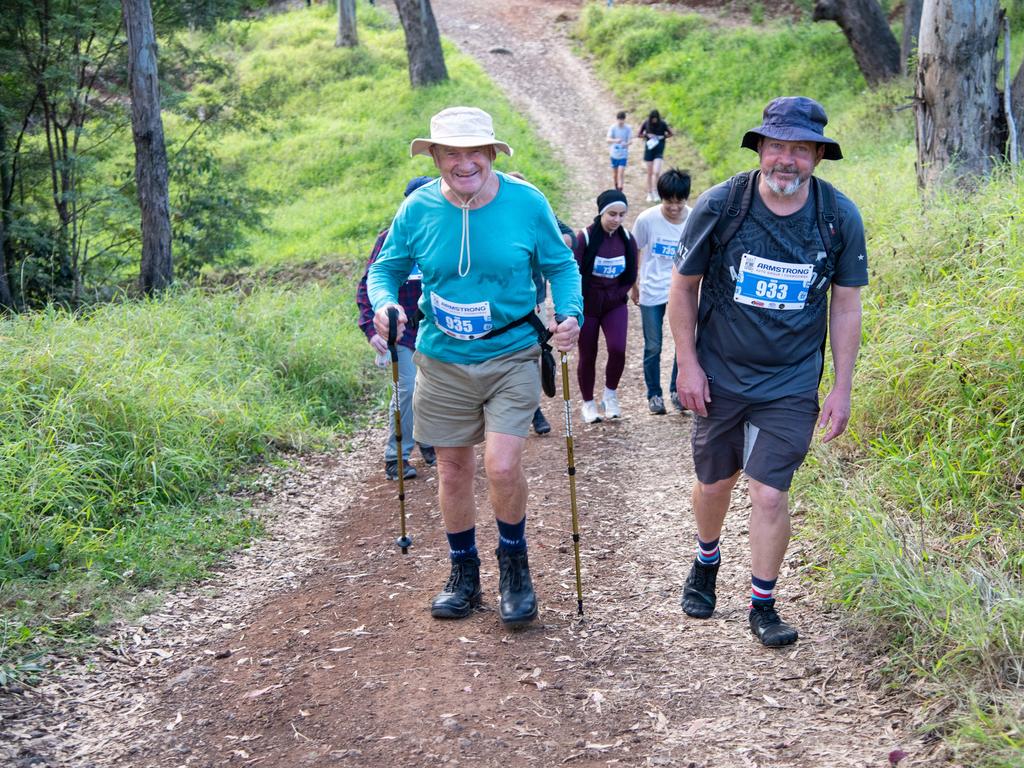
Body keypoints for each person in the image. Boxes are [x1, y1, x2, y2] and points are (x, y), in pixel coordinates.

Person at [367, 107, 583, 628]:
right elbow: (387, 267)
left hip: (511, 352)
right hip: (441, 357)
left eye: (474, 153)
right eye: (452, 154)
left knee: (503, 465)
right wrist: (383, 301)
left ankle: (516, 569)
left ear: (491, 154)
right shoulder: (417, 209)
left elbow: (561, 263)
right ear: (436, 157)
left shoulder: (526, 203)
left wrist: (571, 312)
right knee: (453, 467)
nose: (464, 164)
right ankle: (464, 572)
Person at [668, 96, 868, 647]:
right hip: (720, 373)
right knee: (715, 485)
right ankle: (706, 559)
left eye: (800, 150)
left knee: (770, 494)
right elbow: (682, 289)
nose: (787, 159)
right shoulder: (722, 205)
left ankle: (763, 603)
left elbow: (846, 305)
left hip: (792, 380)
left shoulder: (837, 216)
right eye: (777, 146)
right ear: (760, 149)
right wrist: (687, 365)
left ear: (818, 157)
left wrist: (841, 387)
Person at [356, 176, 437, 480]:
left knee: (435, 391)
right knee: (406, 390)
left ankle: (429, 441)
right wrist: (371, 328)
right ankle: (397, 456)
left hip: (437, 331)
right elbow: (367, 286)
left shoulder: (444, 236)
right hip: (402, 332)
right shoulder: (390, 238)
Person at [506, 171, 576, 437]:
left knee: (531, 355)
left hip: (534, 300)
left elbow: (569, 237)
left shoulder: (534, 211)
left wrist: (543, 244)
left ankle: (534, 410)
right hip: (501, 302)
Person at [629, 168, 691, 415]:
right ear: (661, 198)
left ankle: (678, 390)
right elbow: (635, 249)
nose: (674, 207)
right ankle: (654, 394)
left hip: (683, 291)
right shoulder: (647, 219)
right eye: (668, 202)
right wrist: (634, 284)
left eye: (679, 202)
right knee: (653, 345)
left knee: (683, 342)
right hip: (652, 289)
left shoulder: (695, 218)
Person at [574, 189, 637, 424]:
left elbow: (631, 274)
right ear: (601, 212)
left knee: (618, 348)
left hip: (614, 305)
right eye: (612, 214)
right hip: (588, 306)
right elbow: (574, 273)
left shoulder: (628, 240)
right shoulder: (585, 238)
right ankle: (588, 403)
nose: (617, 220)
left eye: (622, 215)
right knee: (588, 354)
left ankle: (610, 395)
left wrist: (617, 295)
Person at [639, 110, 673, 203]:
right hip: (649, 149)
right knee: (649, 173)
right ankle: (649, 193)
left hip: (659, 150)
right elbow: (639, 134)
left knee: (656, 172)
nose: (654, 121)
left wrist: (663, 137)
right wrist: (647, 135)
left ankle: (656, 191)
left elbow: (671, 133)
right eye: (652, 119)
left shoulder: (662, 124)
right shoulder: (646, 123)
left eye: (655, 119)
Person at [606, 111, 632, 192]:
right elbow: (607, 139)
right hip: (614, 154)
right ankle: (616, 188)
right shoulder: (613, 128)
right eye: (619, 120)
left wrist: (627, 144)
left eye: (622, 120)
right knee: (615, 175)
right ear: (617, 119)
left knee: (621, 173)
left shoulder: (628, 128)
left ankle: (620, 191)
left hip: (623, 154)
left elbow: (631, 140)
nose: (621, 122)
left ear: (624, 120)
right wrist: (615, 140)